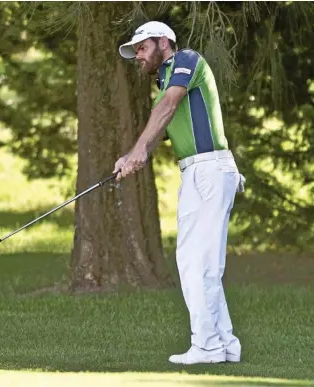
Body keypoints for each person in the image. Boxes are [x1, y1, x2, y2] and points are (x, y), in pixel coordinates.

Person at [114, 21, 245, 365]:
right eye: (136, 52)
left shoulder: (186, 59)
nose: (138, 57)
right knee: (201, 264)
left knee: (197, 263)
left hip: (210, 170)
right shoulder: (163, 81)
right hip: (199, 172)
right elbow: (161, 126)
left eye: (142, 48)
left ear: (163, 42)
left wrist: (138, 150)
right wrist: (131, 156)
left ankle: (207, 346)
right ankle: (224, 342)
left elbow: (169, 106)